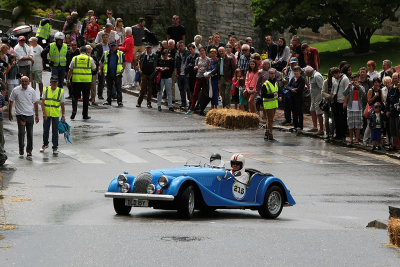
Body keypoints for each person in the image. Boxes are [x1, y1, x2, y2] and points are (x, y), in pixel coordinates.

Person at [8, 76, 39, 158]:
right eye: (22, 81)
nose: (24, 83)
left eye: (26, 81)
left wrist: (37, 115)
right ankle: (21, 147)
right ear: (20, 82)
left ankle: (29, 150)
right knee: (21, 132)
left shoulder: (32, 90)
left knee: (30, 133)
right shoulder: (16, 90)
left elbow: (35, 103)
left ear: (28, 82)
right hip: (20, 115)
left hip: (30, 115)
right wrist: (9, 113)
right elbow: (11, 101)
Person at [67, 46, 96, 120]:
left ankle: (74, 112)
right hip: (86, 81)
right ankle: (85, 115)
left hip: (76, 81)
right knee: (86, 98)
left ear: (79, 51)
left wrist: (68, 80)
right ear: (86, 51)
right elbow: (94, 68)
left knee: (74, 97)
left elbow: (70, 70)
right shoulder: (90, 58)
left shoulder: (75, 58)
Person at [40, 76, 65, 155]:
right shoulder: (46, 90)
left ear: (57, 83)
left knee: (55, 131)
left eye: (55, 82)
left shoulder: (60, 91)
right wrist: (44, 113)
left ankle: (55, 147)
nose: (54, 83)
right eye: (52, 82)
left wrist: (63, 115)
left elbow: (62, 105)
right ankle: (45, 144)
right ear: (50, 82)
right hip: (47, 114)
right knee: (46, 130)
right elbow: (42, 103)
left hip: (55, 114)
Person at [100, 41, 126, 107]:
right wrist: (100, 69)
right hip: (109, 73)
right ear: (109, 46)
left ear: (116, 46)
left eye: (114, 46)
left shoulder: (120, 53)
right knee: (109, 88)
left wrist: (122, 69)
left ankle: (119, 101)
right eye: (112, 46)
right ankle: (108, 101)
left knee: (118, 89)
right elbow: (101, 61)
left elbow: (124, 62)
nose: (113, 47)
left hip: (117, 74)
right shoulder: (106, 53)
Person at [343, 74, 366, 144]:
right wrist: (348, 86)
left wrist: (358, 86)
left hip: (358, 108)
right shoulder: (350, 87)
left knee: (358, 125)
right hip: (350, 108)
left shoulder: (361, 87)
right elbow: (344, 93)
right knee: (350, 124)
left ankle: (357, 139)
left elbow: (363, 94)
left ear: (358, 80)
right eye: (354, 80)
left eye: (356, 80)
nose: (355, 82)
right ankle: (351, 139)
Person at [186, 46, 209, 114]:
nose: (202, 52)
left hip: (205, 77)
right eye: (200, 51)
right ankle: (191, 108)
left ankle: (202, 108)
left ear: (205, 51)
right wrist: (195, 67)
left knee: (205, 94)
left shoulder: (208, 59)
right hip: (198, 77)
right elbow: (195, 66)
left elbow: (209, 67)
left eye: (203, 50)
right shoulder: (198, 59)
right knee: (195, 93)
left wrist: (205, 68)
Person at [363, 77, 383, 146]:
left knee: (378, 126)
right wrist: (374, 96)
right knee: (369, 125)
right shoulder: (370, 90)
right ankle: (365, 141)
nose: (376, 84)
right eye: (375, 82)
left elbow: (382, 100)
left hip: (379, 110)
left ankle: (377, 143)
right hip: (372, 110)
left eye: (378, 82)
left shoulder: (380, 90)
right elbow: (369, 101)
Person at [261, 68, 280, 140]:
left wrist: (279, 96)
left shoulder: (275, 83)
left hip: (274, 103)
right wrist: (272, 95)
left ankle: (266, 133)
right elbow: (263, 95)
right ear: (268, 74)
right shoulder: (265, 84)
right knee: (270, 120)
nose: (273, 75)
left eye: (274, 73)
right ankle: (270, 134)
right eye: (271, 73)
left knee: (269, 120)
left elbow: (278, 92)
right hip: (268, 104)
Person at [331, 67, 350, 140]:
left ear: (339, 73)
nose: (334, 77)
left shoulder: (345, 79)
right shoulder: (334, 79)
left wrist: (345, 102)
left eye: (335, 75)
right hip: (336, 101)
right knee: (336, 118)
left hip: (342, 101)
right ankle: (338, 134)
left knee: (342, 119)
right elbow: (333, 88)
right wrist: (331, 96)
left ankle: (343, 135)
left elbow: (347, 91)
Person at [136, 43, 157, 108]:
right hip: (144, 74)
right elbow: (139, 62)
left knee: (150, 90)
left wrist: (154, 73)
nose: (148, 49)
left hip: (151, 74)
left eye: (149, 48)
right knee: (142, 89)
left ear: (152, 48)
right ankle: (139, 103)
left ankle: (149, 103)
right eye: (147, 48)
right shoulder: (143, 55)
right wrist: (139, 69)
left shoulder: (154, 55)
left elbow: (156, 65)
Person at [305, 66, 324, 135]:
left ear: (309, 73)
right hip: (313, 97)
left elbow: (322, 87)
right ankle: (315, 127)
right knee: (312, 111)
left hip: (318, 97)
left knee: (319, 113)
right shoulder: (312, 76)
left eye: (306, 73)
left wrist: (321, 98)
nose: (305, 74)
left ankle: (321, 130)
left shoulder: (317, 76)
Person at [385, 72, 400, 151]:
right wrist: (387, 110)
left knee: (398, 129)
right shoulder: (391, 88)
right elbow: (387, 100)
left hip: (398, 113)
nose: (394, 80)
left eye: (396, 78)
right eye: (393, 78)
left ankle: (398, 146)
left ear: (399, 79)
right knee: (392, 129)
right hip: (391, 112)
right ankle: (394, 145)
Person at [288, 66, 305, 131]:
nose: (296, 73)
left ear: (300, 71)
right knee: (294, 112)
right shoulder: (293, 78)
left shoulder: (302, 79)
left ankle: (300, 126)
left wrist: (293, 89)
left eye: (297, 71)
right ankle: (295, 125)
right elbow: (288, 86)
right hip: (292, 97)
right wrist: (292, 89)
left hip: (299, 98)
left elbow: (300, 89)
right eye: (294, 71)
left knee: (299, 112)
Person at [94, 33, 110, 100]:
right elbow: (95, 54)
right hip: (101, 64)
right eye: (104, 37)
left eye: (106, 37)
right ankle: (100, 94)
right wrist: (97, 61)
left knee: (110, 80)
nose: (105, 38)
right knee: (101, 80)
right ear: (102, 38)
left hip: (109, 64)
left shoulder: (110, 46)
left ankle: (111, 94)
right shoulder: (98, 46)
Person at [175, 40, 190, 108]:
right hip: (179, 73)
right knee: (181, 89)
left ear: (184, 46)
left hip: (186, 74)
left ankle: (190, 102)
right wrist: (176, 72)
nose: (180, 47)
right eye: (179, 46)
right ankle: (183, 102)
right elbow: (175, 64)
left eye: (182, 46)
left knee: (187, 88)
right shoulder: (177, 53)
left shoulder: (187, 53)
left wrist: (188, 72)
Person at [184, 43, 200, 108]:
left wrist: (191, 65)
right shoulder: (189, 57)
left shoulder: (198, 56)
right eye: (189, 49)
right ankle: (191, 103)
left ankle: (198, 104)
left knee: (197, 90)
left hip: (197, 76)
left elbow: (198, 65)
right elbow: (186, 67)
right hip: (190, 76)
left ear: (194, 49)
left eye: (191, 49)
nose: (190, 50)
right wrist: (192, 65)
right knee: (191, 90)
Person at [321, 68, 335, 139]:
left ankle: (332, 133)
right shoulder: (326, 82)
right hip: (327, 102)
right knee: (326, 118)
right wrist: (329, 96)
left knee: (333, 118)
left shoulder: (336, 81)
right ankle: (327, 132)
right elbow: (323, 92)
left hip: (334, 102)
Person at [0, 86, 7, 155]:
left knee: (1, 134)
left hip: (0, 118)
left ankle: (2, 149)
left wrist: (2, 109)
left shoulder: (1, 96)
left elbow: (5, 105)